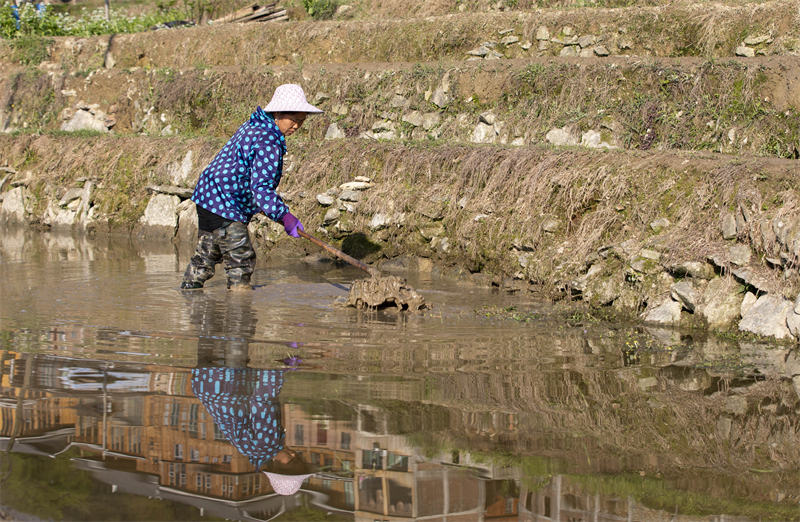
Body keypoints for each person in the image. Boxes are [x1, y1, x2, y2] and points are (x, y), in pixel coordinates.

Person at [181, 84, 323, 290]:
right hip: (226, 203)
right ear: (278, 113)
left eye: (301, 121)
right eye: (293, 120)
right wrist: (285, 216)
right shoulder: (269, 139)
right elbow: (261, 188)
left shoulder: (255, 125)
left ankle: (190, 299)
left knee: (206, 254)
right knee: (241, 260)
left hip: (207, 196)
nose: (297, 126)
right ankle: (240, 311)